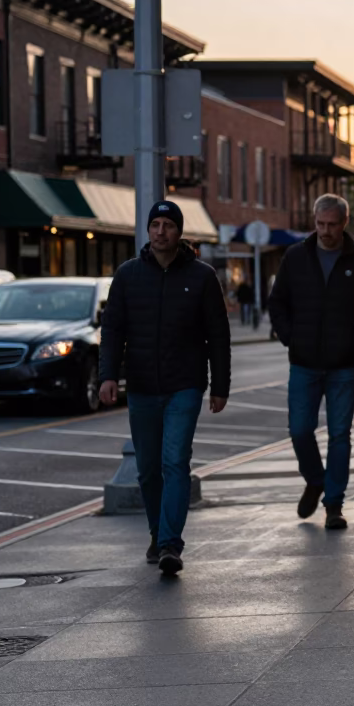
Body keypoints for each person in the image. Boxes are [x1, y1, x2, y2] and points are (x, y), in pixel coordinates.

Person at [99, 200, 231, 576]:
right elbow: (113, 330)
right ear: (148, 230)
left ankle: (171, 544)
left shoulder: (203, 277)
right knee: (147, 470)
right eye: (155, 224)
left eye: (168, 225)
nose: (160, 231)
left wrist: (220, 385)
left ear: (179, 232)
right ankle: (158, 535)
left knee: (175, 462)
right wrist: (107, 375)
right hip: (141, 386)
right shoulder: (128, 275)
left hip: (184, 385)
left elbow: (218, 337)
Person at [269, 193, 354, 531]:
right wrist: (291, 336)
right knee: (299, 429)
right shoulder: (296, 257)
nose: (325, 231)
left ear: (344, 223)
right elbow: (277, 304)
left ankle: (334, 503)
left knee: (339, 435)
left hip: (343, 364)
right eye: (320, 224)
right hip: (303, 361)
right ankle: (315, 479)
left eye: (332, 225)